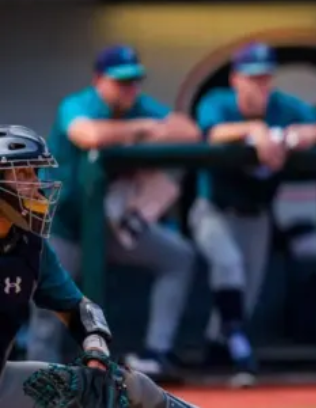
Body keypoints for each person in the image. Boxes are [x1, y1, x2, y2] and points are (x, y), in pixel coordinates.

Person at [28, 45, 198, 381]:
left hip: (111, 228)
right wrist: (142, 130)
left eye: (134, 81)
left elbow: (190, 131)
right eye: (120, 82)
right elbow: (87, 133)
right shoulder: (79, 104)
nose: (129, 89)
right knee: (47, 310)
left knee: (178, 257)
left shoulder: (139, 107)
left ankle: (155, 354)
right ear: (99, 80)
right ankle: (38, 382)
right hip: (64, 227)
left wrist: (147, 125)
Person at [0, 124, 198, 408]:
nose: (34, 185)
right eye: (21, 174)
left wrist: (95, 351)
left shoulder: (29, 246)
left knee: (125, 388)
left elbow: (80, 309)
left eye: (34, 173)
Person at [190, 41, 316, 387]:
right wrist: (253, 131)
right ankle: (239, 352)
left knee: (244, 296)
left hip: (258, 214)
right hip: (213, 209)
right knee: (228, 265)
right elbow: (212, 132)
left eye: (264, 78)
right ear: (236, 79)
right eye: (251, 78)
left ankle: (216, 357)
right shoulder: (218, 103)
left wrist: (305, 133)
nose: (259, 86)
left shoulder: (282, 107)